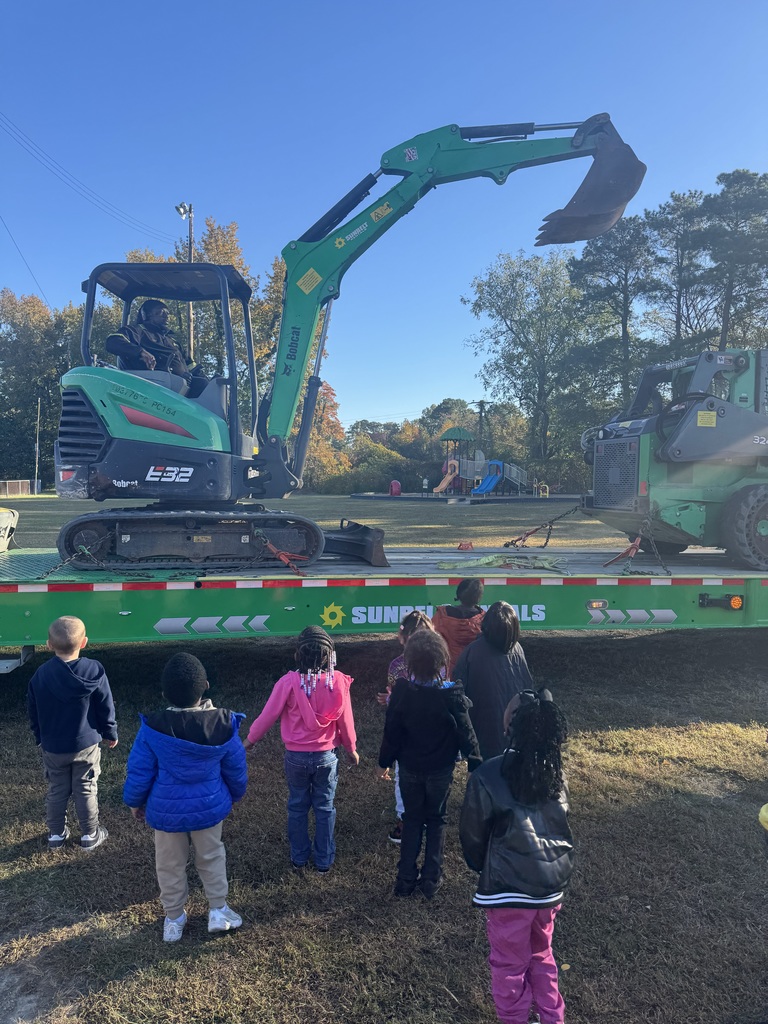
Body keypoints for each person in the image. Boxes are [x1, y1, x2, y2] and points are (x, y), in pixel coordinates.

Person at [460, 689, 573, 1024]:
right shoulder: (557, 774)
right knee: (542, 953)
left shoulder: (488, 775)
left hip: (509, 890)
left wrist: (485, 867)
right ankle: (553, 1017)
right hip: (550, 888)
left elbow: (473, 836)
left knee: (508, 966)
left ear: (509, 726)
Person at [123, 652, 247, 942]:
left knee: (169, 863)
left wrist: (134, 802)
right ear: (205, 685)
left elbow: (139, 770)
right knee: (211, 855)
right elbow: (236, 767)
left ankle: (174, 918)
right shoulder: (224, 723)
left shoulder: (152, 727)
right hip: (208, 809)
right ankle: (218, 909)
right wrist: (236, 794)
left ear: (165, 693)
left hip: (166, 814)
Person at [243, 626, 358, 874]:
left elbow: (267, 716)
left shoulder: (287, 683)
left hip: (295, 758)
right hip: (327, 758)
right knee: (325, 807)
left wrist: (250, 741)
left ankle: (299, 858)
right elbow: (346, 722)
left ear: (297, 654)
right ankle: (324, 861)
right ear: (331, 656)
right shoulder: (338, 682)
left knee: (297, 806)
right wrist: (351, 749)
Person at [378, 629, 481, 899]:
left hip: (410, 768)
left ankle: (405, 880)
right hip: (440, 770)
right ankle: (431, 880)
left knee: (411, 820)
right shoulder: (452, 695)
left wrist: (384, 762)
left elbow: (392, 730)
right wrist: (475, 761)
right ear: (443, 662)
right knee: (437, 820)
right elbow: (466, 730)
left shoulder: (401, 692)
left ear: (408, 663)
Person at [27, 615, 117, 852]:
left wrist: (39, 736)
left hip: (53, 746)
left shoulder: (40, 676)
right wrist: (110, 731)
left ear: (48, 644)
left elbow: (33, 710)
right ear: (84, 642)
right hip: (86, 745)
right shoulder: (95, 670)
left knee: (57, 789)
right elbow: (105, 705)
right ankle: (90, 834)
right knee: (85, 787)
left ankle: (56, 835)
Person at [376, 609, 435, 844]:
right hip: (433, 730)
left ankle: (405, 820)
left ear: (403, 638)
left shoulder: (396, 666)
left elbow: (395, 697)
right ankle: (425, 817)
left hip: (406, 730)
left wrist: (389, 700)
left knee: (403, 776)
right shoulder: (440, 661)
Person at [453, 601, 534, 760]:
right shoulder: (518, 649)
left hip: (483, 736)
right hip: (515, 734)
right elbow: (528, 687)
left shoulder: (473, 651)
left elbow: (457, 692)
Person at [105, 299, 206, 395]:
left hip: (181, 387)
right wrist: (140, 352)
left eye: (167, 313)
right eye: (161, 312)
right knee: (202, 386)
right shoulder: (138, 331)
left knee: (209, 386)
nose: (166, 316)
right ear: (147, 315)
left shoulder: (172, 341)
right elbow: (113, 342)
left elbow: (190, 365)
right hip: (155, 388)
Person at [432, 578, 486, 674]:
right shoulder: (485, 620)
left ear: (459, 594)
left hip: (448, 673)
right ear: (479, 597)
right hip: (476, 673)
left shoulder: (441, 616)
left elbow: (430, 640)